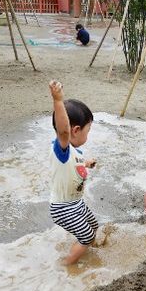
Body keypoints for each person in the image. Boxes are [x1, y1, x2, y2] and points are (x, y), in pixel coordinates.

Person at [48, 80, 98, 265]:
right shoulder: (62, 148)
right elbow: (63, 131)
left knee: (93, 226)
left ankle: (86, 251)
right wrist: (58, 100)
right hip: (63, 208)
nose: (88, 134)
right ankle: (67, 265)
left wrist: (86, 164)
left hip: (76, 203)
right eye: (88, 130)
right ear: (75, 130)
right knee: (86, 236)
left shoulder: (75, 152)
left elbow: (73, 166)